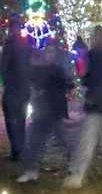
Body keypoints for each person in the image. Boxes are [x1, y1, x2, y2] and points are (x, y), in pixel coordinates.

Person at [65, 27, 102, 188]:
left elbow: (92, 78)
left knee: (100, 139)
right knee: (94, 139)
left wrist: (86, 85)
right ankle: (81, 172)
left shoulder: (96, 56)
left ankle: (80, 173)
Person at [17, 41, 73, 183]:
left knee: (62, 141)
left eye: (52, 51)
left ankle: (75, 167)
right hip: (41, 111)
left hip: (53, 111)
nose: (49, 54)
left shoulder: (58, 70)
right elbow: (33, 83)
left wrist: (45, 90)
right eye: (47, 51)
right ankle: (31, 170)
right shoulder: (39, 69)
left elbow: (65, 85)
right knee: (33, 141)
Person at [0, 15, 31, 161]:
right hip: (24, 88)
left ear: (10, 29)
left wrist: (0, 81)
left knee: (11, 119)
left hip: (12, 87)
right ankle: (21, 148)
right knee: (21, 119)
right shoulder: (27, 44)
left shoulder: (9, 44)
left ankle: (15, 150)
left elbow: (4, 66)